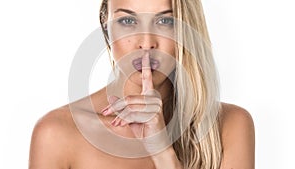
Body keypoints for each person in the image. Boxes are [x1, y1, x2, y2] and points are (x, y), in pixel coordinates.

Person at [29, 0, 255, 168]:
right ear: (106, 28)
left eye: (165, 21)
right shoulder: (57, 133)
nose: (146, 42)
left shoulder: (229, 126)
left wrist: (163, 152)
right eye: (128, 21)